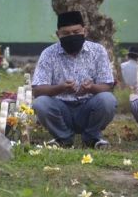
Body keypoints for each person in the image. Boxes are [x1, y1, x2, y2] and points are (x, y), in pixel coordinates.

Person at [32, 11, 117, 149]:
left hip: (89, 108)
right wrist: (60, 88)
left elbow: (107, 85)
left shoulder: (98, 51)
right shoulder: (48, 54)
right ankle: (63, 138)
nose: (71, 36)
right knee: (40, 103)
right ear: (58, 34)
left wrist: (92, 88)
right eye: (66, 33)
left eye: (76, 31)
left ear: (85, 31)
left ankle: (92, 138)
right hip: (60, 109)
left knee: (108, 100)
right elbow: (38, 90)